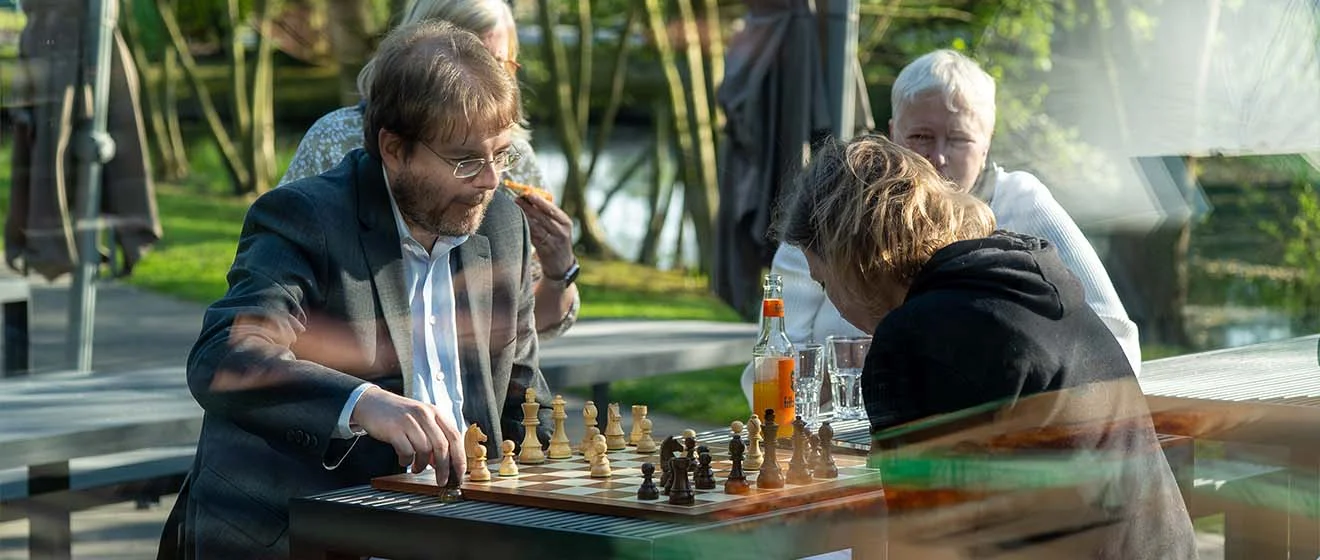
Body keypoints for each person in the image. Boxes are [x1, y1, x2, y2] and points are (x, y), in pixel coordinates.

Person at [158, 21, 551, 559]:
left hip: (457, 528)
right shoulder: (306, 217)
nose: (488, 179)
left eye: (501, 154)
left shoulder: (501, 223)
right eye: (465, 161)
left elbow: (523, 394)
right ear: (394, 148)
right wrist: (364, 403)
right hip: (308, 536)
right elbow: (223, 358)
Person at [779, 134, 1195, 558]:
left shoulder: (918, 340)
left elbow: (924, 544)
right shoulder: (1025, 281)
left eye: (824, 280)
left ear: (855, 261)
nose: (830, 297)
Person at [742, 49, 1141, 407]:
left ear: (987, 144)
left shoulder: (1022, 203)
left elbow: (1113, 336)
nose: (938, 158)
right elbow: (770, 366)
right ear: (893, 132)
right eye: (921, 137)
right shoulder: (830, 217)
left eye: (959, 139)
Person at [280, 0, 580, 341]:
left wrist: (560, 273)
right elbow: (282, 283)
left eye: (496, 64)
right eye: (462, 60)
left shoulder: (515, 159)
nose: (489, 179)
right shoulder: (334, 138)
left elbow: (524, 329)